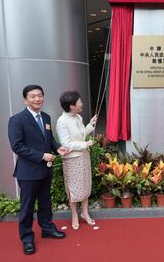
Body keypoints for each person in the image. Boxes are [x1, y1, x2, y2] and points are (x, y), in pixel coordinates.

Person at [8, 85, 68, 255]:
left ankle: (47, 228)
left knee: (45, 202)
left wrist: (58, 149)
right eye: (32, 96)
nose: (37, 99)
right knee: (27, 207)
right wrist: (42, 156)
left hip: (45, 170)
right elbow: (17, 146)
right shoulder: (17, 120)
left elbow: (49, 140)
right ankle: (27, 238)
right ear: (25, 99)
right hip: (28, 172)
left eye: (40, 95)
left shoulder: (46, 117)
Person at [56, 91, 98, 230]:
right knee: (73, 188)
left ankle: (85, 213)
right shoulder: (62, 121)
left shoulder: (78, 117)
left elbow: (82, 135)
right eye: (79, 102)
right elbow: (66, 143)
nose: (82, 104)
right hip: (72, 159)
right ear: (72, 105)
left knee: (85, 184)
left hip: (83, 156)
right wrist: (85, 145)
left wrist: (90, 125)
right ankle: (74, 214)